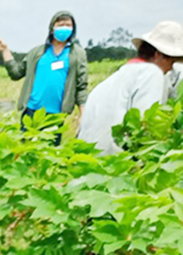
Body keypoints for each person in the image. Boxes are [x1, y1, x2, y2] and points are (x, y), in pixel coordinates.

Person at [78, 20, 183, 155]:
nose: (169, 69)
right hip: (118, 163)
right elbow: (145, 126)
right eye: (171, 61)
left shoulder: (111, 80)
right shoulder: (152, 74)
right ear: (158, 55)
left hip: (90, 161)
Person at [0, 10, 89, 138]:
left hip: (56, 115)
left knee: (49, 153)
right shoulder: (37, 53)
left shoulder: (77, 54)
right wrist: (5, 50)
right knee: (26, 151)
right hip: (32, 111)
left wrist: (82, 114)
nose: (64, 28)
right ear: (52, 28)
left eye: (68, 25)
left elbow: (81, 86)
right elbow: (16, 73)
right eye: (60, 25)